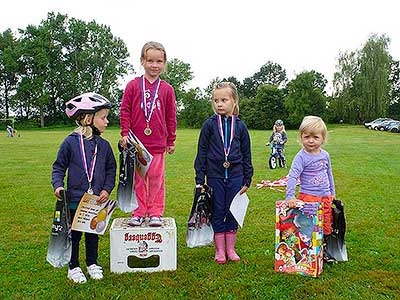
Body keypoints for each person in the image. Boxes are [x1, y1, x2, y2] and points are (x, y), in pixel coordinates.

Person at [52, 92, 116, 283]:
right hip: (74, 200)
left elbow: (111, 169)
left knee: (93, 232)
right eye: (103, 117)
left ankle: (92, 263)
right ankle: (73, 267)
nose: (107, 122)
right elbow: (58, 166)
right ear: (88, 118)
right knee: (75, 234)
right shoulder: (70, 142)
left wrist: (106, 189)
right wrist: (58, 185)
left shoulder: (104, 146)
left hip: (96, 200)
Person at [194, 82, 253, 264]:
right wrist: (200, 178)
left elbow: (246, 153)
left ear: (234, 101)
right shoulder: (209, 125)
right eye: (216, 100)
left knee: (232, 211)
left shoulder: (241, 127)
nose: (219, 104)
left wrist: (247, 178)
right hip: (215, 177)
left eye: (224, 100)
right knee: (218, 211)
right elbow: (202, 151)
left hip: (235, 177)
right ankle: (220, 250)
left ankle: (231, 248)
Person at [120, 41, 177, 227]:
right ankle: (138, 212)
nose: (154, 65)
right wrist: (124, 133)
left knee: (156, 180)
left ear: (164, 63)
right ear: (142, 61)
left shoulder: (167, 89)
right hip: (136, 144)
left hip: (158, 143)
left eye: (159, 61)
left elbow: (171, 116)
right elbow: (125, 110)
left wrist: (171, 140)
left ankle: (155, 212)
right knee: (138, 179)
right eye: (150, 60)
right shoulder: (133, 85)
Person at [285, 115, 336, 263]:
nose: (311, 141)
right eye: (307, 137)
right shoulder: (301, 157)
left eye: (315, 137)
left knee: (326, 224)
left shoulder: (325, 155)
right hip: (308, 198)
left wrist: (332, 193)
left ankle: (323, 250)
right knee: (308, 227)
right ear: (301, 137)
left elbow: (329, 174)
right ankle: (307, 252)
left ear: (323, 138)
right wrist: (290, 196)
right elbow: (293, 177)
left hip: (325, 197)